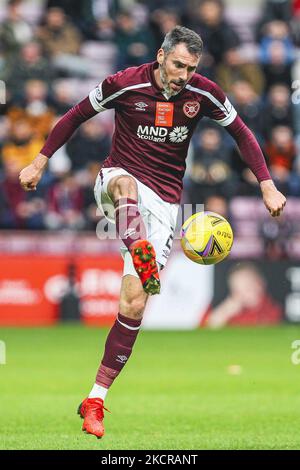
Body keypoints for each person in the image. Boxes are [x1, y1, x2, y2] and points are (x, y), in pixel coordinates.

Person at [19, 26, 286, 438]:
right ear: (161, 55)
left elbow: (242, 133)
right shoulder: (124, 84)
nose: (183, 74)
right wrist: (39, 162)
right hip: (117, 178)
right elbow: (75, 116)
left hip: (164, 203)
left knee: (133, 304)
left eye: (190, 68)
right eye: (178, 64)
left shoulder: (204, 92)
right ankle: (139, 247)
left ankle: (95, 400)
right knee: (124, 186)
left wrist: (266, 182)